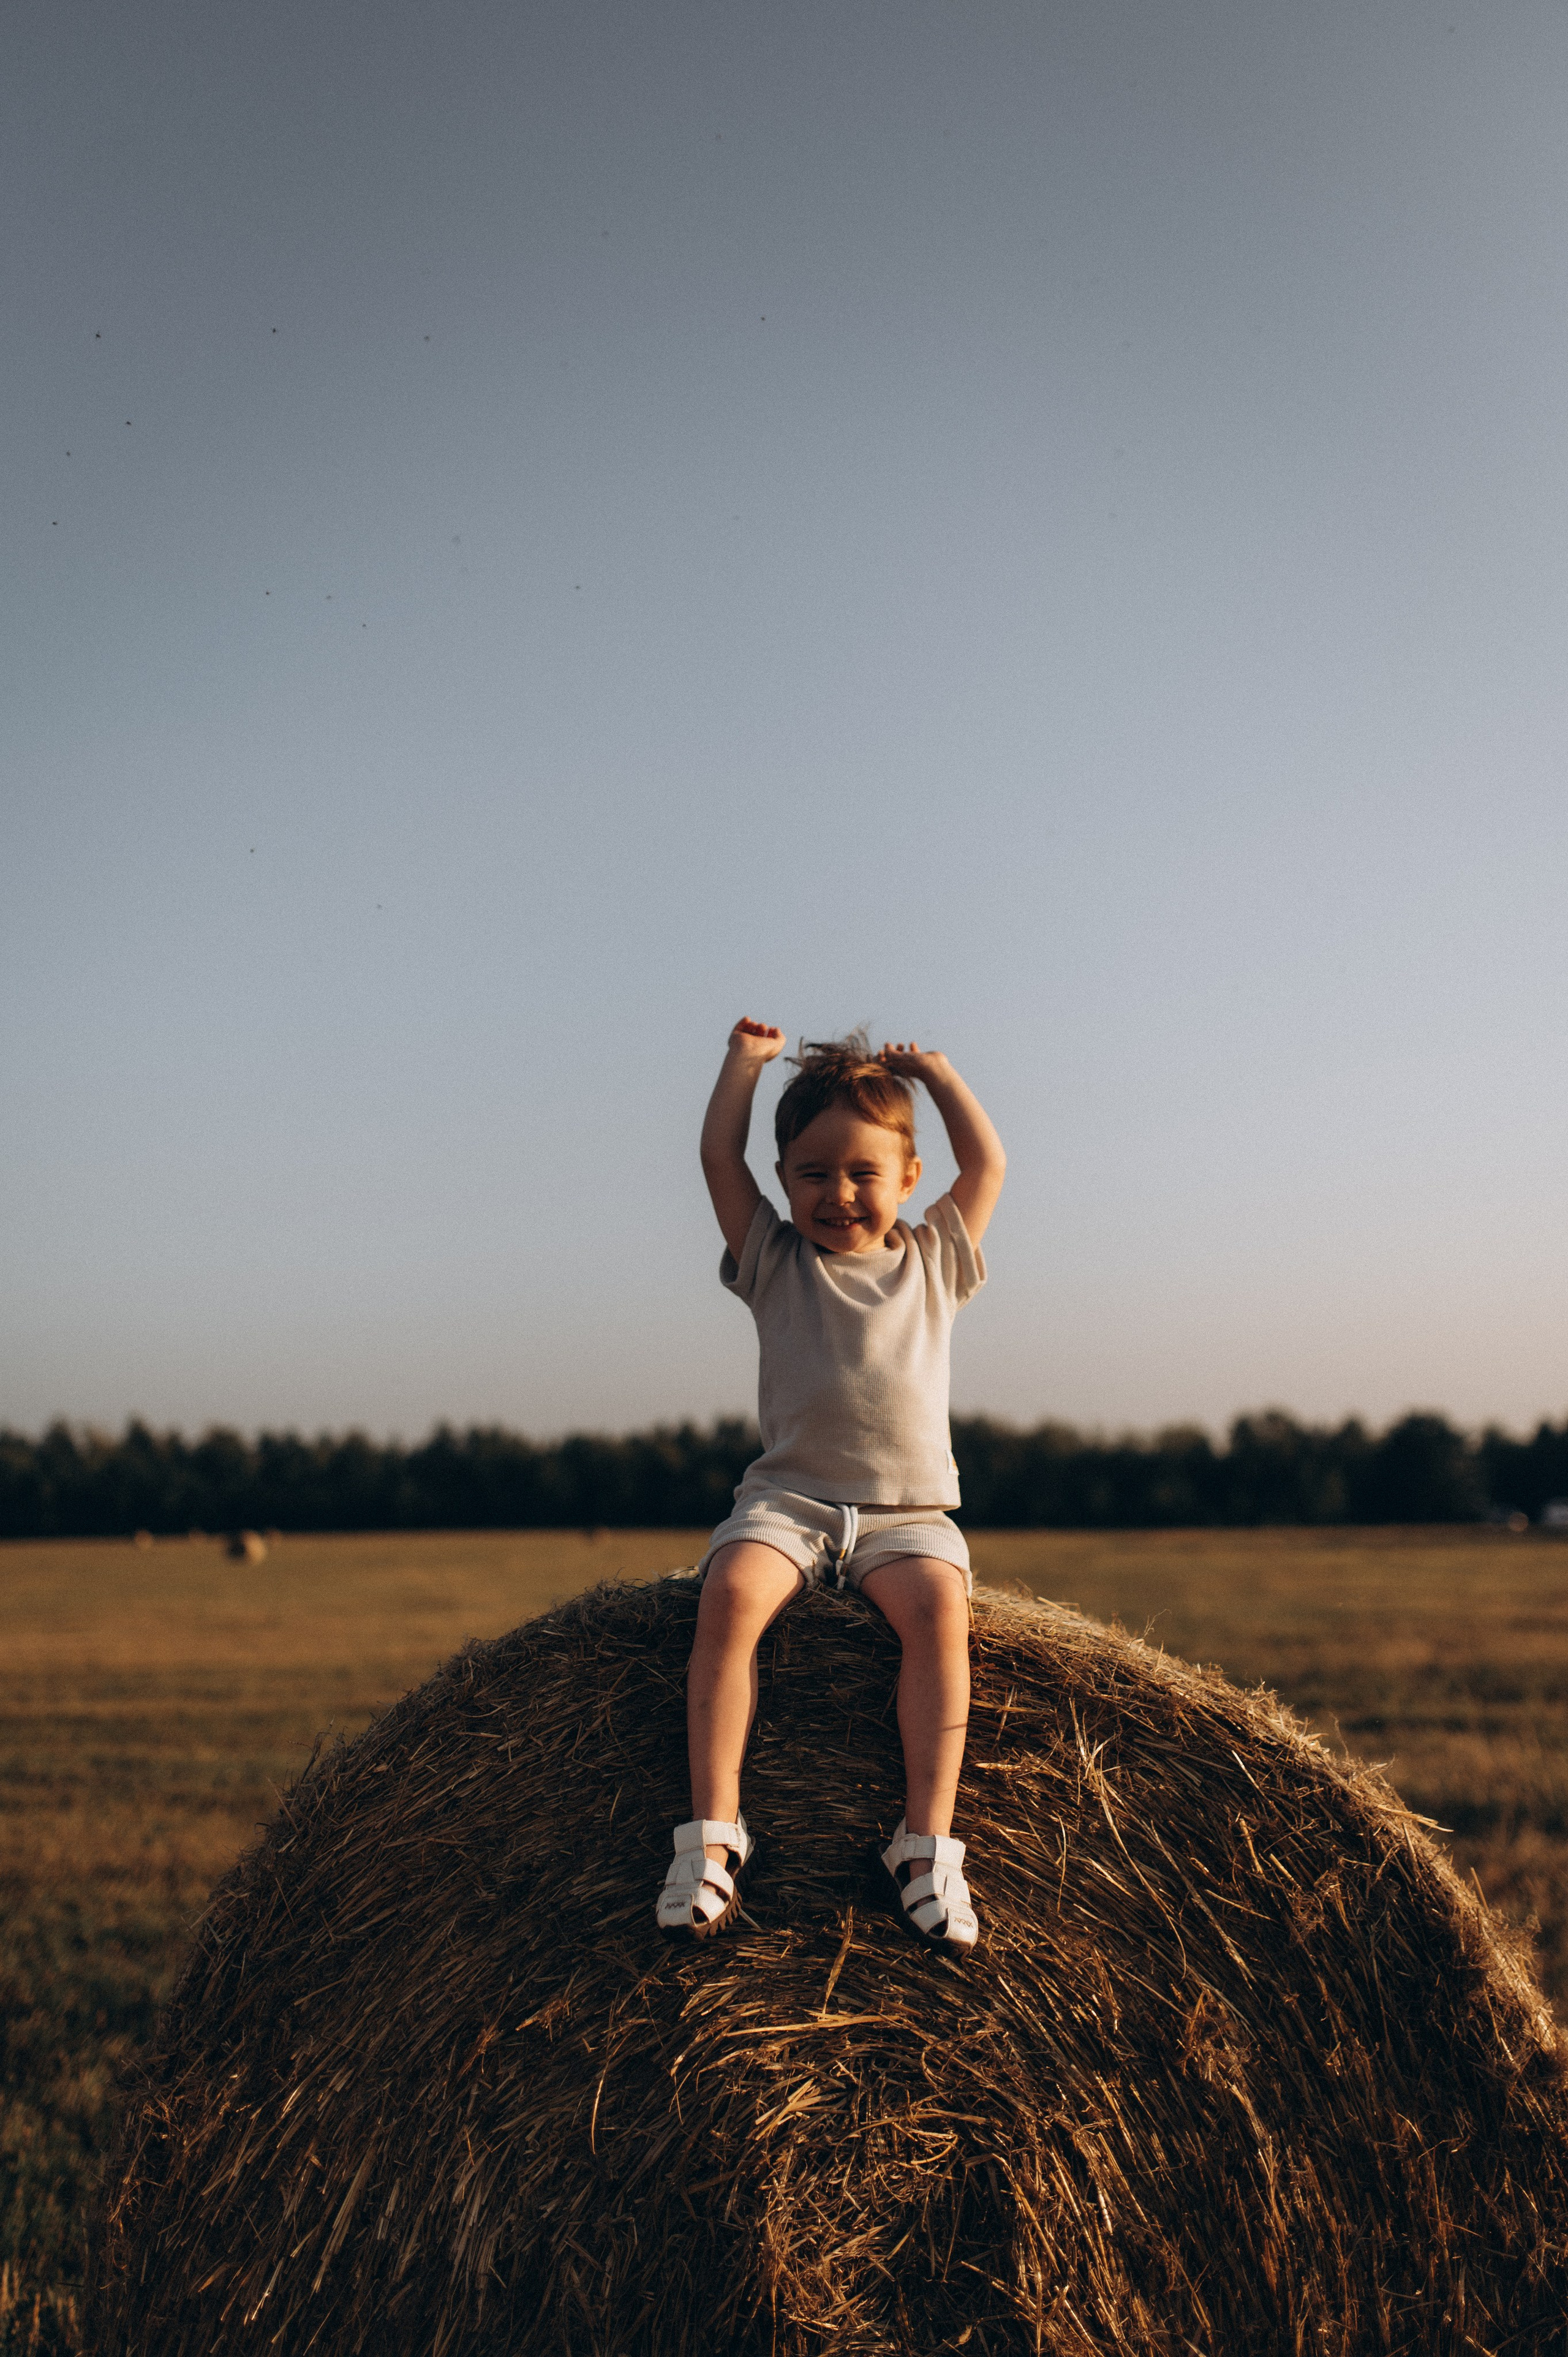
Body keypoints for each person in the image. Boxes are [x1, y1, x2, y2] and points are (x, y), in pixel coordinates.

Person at [655, 1019, 1006, 1956]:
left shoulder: (935, 1262)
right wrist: (742, 1066)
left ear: (906, 1181)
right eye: (812, 1175)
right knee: (727, 1596)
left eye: (863, 1175)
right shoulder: (775, 1261)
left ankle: (927, 1847)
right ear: (783, 1182)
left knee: (941, 1615)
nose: (839, 1194)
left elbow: (990, 1167)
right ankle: (714, 1835)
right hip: (789, 1504)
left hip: (908, 1515)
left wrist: (933, 1073)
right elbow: (716, 1157)